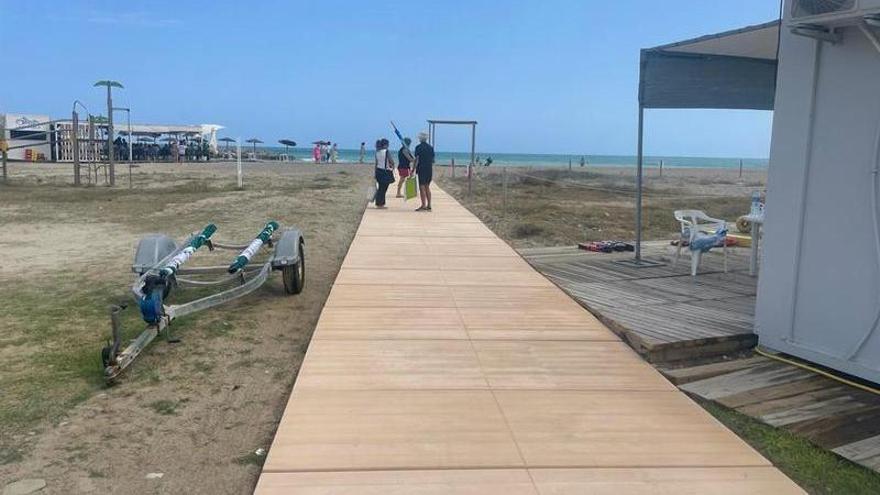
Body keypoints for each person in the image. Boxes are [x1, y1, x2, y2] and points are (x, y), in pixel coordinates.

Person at [412, 132, 435, 211]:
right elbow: (433, 160)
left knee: (422, 187)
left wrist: (413, 169)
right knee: (427, 187)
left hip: (421, 168)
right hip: (429, 169)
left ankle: (423, 205)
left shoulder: (418, 147)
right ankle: (429, 205)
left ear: (420, 139)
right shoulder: (430, 147)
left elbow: (416, 160)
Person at [374, 138, 395, 208]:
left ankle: (379, 203)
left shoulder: (377, 152)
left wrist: (375, 173)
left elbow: (376, 163)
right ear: (385, 145)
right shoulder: (386, 151)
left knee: (380, 188)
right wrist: (393, 165)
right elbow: (391, 161)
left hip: (378, 171)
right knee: (383, 189)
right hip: (385, 171)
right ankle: (380, 204)